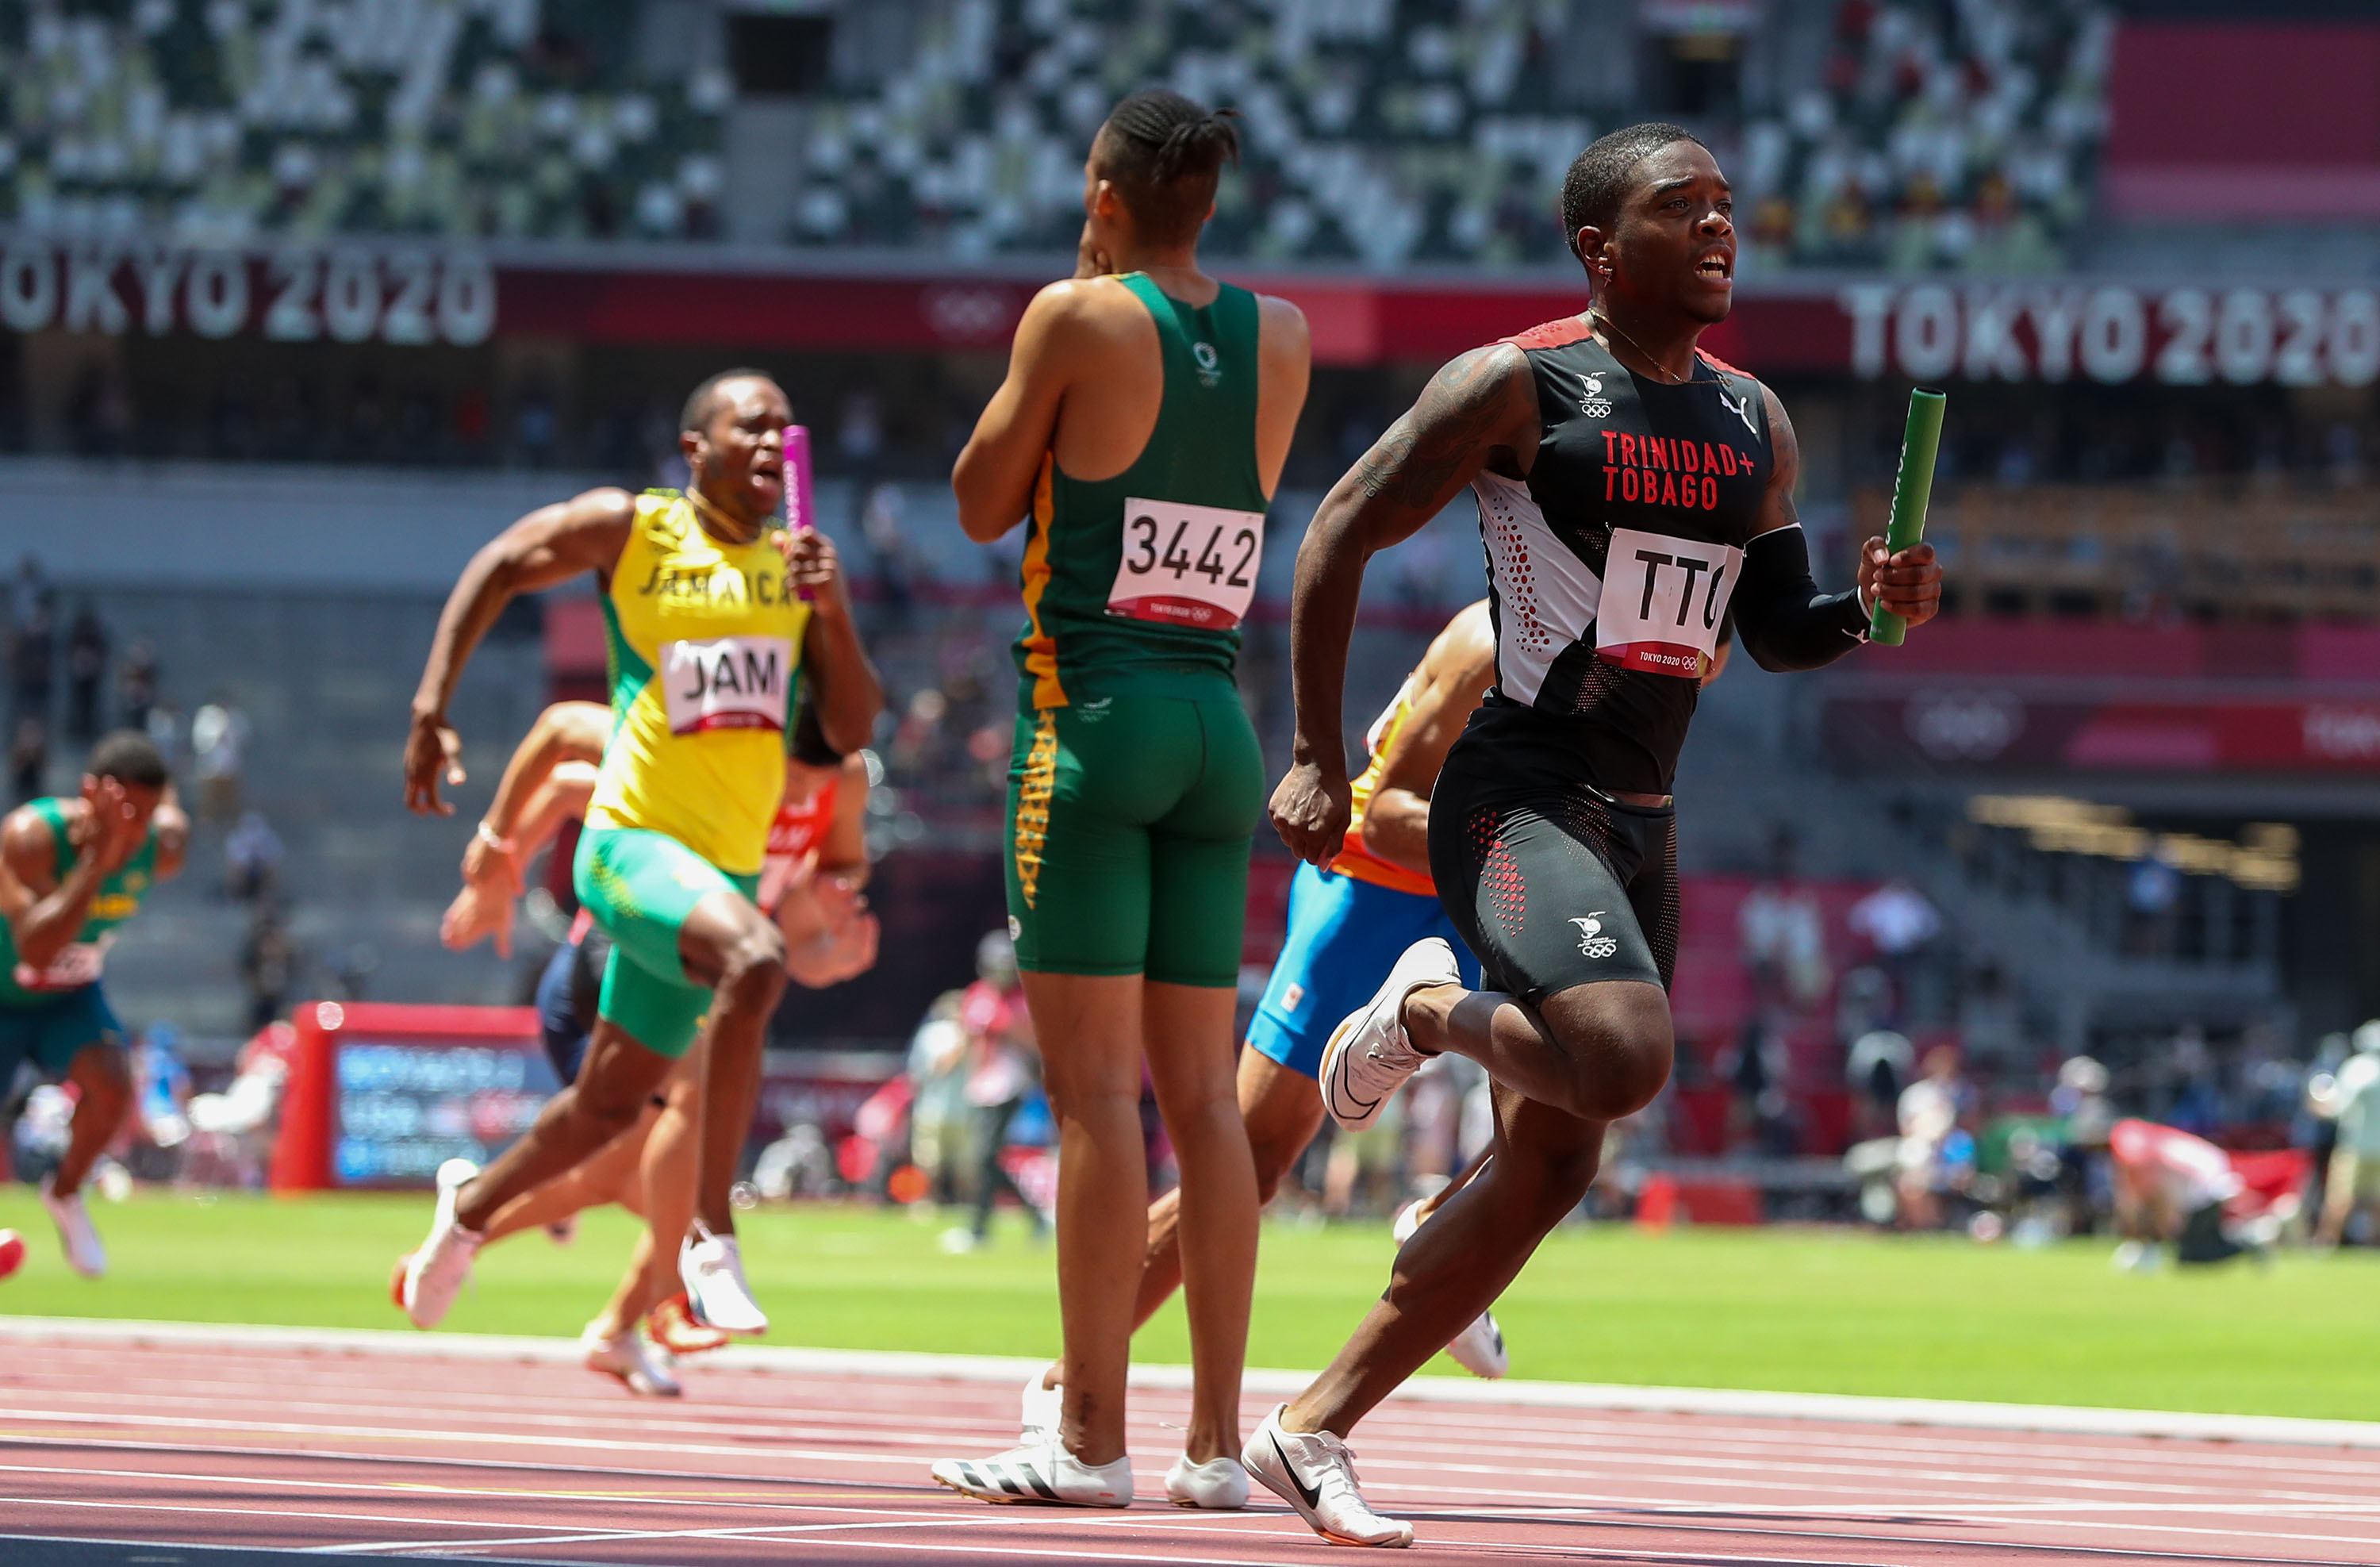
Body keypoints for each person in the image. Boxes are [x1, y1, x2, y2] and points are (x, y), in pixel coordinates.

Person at [1255, 121, 1942, 1546]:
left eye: (1727, 204)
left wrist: (1869, 610)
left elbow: (1777, 629)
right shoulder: (1518, 384)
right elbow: (1336, 532)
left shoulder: (1753, 419)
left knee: (1556, 1164)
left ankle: (1310, 1426)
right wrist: (1319, 756)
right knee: (1624, 1061)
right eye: (1681, 207)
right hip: (1518, 795)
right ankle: (1423, 1011)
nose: (1719, 226)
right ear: (1600, 249)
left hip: (1643, 821)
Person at [927, 88, 1311, 1511]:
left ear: (1103, 197)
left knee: (1094, 1098)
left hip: (1092, 723)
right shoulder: (1282, 334)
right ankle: (1215, 1446)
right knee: (1204, 1103)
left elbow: (980, 501)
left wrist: (1070, 315)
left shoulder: (1073, 318)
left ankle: (1087, 1439)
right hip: (1219, 725)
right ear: (1209, 200)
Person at [397, 367, 881, 1338]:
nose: (771, 440)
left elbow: (849, 729)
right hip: (630, 845)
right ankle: (710, 1237)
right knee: (756, 959)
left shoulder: (794, 569)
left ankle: (468, 1211)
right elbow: (502, 563)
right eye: (751, 426)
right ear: (695, 448)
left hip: (723, 870)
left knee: (609, 1106)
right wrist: (431, 705)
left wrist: (831, 611)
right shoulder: (634, 530)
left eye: (785, 428)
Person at [424, 694, 877, 1392]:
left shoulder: (838, 792)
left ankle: (493, 1232)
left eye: (816, 782)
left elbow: (802, 943)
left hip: (703, 979)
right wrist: (497, 872)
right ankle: (672, 1295)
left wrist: (835, 954)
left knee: (630, 1181)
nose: (798, 795)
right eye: (790, 774)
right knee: (690, 1123)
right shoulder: (705, 749)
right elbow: (566, 774)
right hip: (612, 960)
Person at [0, 731, 187, 1275]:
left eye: (147, 816)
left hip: (69, 997)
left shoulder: (161, 845)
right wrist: (93, 866)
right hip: (4, 989)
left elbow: (173, 820)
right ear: (90, 794)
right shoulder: (31, 837)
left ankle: (65, 1193)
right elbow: (37, 951)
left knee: (114, 1084)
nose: (135, 831)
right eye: (126, 812)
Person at [2107, 1117, 2259, 1267]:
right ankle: (2249, 1238)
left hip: (2206, 1183)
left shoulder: (2148, 1157)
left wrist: (2159, 1236)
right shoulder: (2145, 1146)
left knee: (2193, 1254)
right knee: (2192, 1248)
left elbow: (2167, 1205)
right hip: (2205, 1178)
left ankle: (2253, 1239)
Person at [2312, 1021, 2380, 1246]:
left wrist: (2319, 1105)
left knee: (2340, 1198)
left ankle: (2326, 1242)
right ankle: (2373, 1246)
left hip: (2354, 1147)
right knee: (2376, 1202)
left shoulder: (2357, 1068)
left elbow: (2340, 1108)